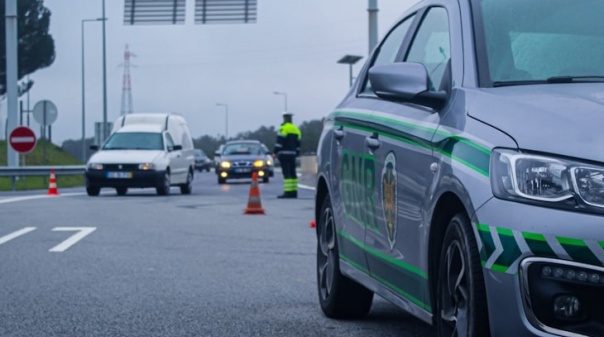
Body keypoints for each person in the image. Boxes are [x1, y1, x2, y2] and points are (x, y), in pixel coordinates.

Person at [273, 111, 302, 199]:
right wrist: (296, 153)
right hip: (292, 154)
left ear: (284, 118)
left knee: (287, 173)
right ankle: (294, 192)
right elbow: (298, 143)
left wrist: (275, 152)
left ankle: (288, 192)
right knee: (293, 173)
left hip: (284, 154)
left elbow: (279, 142)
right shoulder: (296, 129)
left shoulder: (283, 128)